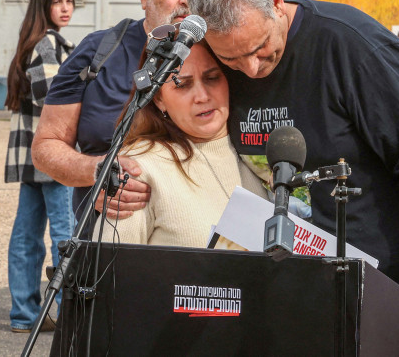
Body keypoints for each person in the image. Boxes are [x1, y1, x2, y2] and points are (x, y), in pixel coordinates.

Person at [187, 0, 399, 356]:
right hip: (308, 300)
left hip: (397, 295)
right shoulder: (216, 55)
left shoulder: (353, 47)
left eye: (260, 48)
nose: (250, 69)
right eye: (232, 60)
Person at [32, 0, 211, 229]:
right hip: (105, 249)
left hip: (198, 248)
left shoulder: (226, 58)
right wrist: (98, 171)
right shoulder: (97, 52)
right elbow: (46, 147)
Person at [95, 41, 270, 247]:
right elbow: (109, 271)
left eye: (212, 78)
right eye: (182, 85)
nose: (202, 96)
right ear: (158, 98)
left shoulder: (262, 150)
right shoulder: (139, 169)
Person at [4, 0, 76, 333]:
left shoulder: (34, 41)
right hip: (53, 152)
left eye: (68, 1)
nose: (64, 8)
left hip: (31, 153)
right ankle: (66, 312)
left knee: (26, 234)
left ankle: (24, 315)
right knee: (66, 233)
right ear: (43, 7)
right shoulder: (49, 44)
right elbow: (52, 97)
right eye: (57, 2)